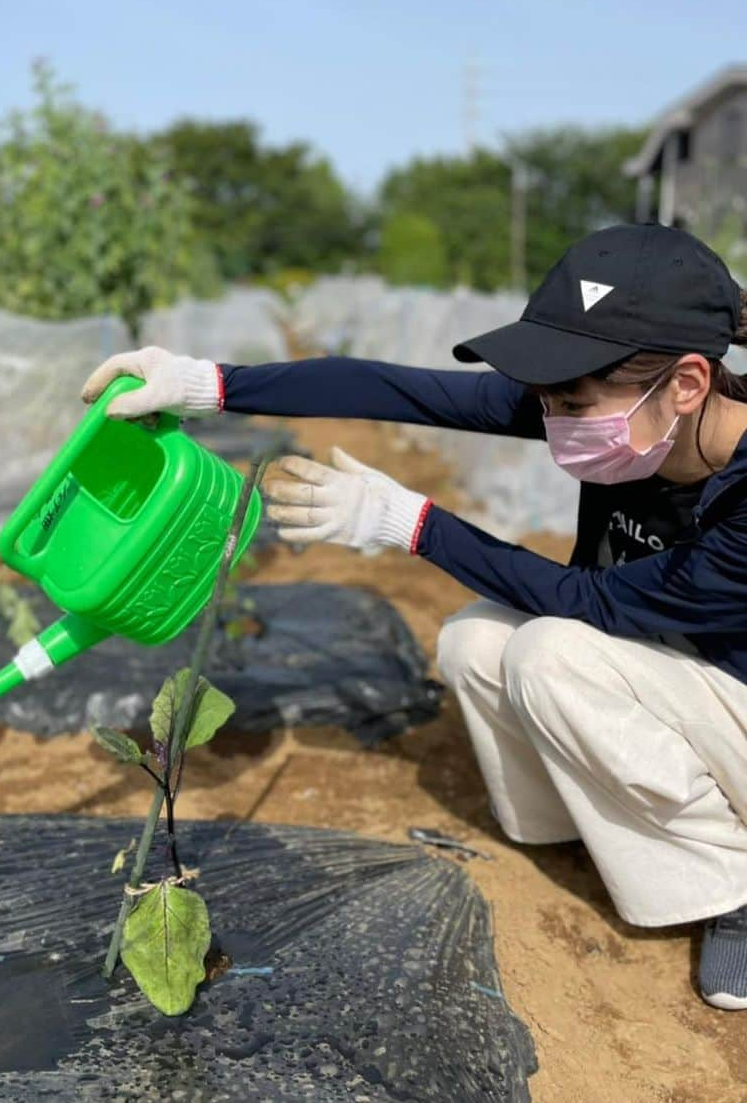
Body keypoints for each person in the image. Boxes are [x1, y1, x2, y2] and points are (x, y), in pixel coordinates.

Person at [81, 221, 747, 1011]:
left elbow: (589, 602)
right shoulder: (636, 421)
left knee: (550, 652)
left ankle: (732, 887)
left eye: (572, 401)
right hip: (684, 677)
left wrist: (409, 523)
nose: (555, 418)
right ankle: (578, 830)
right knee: (475, 640)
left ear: (688, 384)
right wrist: (208, 385)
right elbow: (395, 389)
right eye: (546, 399)